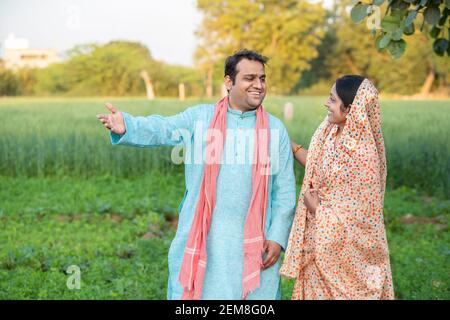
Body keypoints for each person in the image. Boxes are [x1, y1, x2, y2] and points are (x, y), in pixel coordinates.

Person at [97, 49, 296, 300]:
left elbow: (285, 192)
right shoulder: (201, 118)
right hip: (203, 236)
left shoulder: (275, 129)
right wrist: (129, 125)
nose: (258, 85)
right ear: (228, 81)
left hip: (254, 242)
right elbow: (164, 128)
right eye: (249, 78)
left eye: (262, 79)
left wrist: (277, 237)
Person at [280, 75, 395, 300]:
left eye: (332, 100)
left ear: (350, 108)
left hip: (346, 258)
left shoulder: (364, 155)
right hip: (319, 242)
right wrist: (290, 146)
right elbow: (317, 165)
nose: (326, 104)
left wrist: (317, 211)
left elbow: (360, 222)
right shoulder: (331, 133)